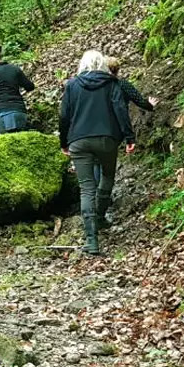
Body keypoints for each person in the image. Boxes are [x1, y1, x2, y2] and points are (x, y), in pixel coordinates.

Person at [59, 49, 135, 255]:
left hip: (79, 140)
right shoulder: (112, 83)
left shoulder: (72, 85)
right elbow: (120, 109)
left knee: (86, 188)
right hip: (107, 138)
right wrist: (129, 137)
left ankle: (92, 240)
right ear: (102, 64)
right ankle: (100, 217)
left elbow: (64, 116)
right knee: (108, 175)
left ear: (82, 64)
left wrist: (63, 142)